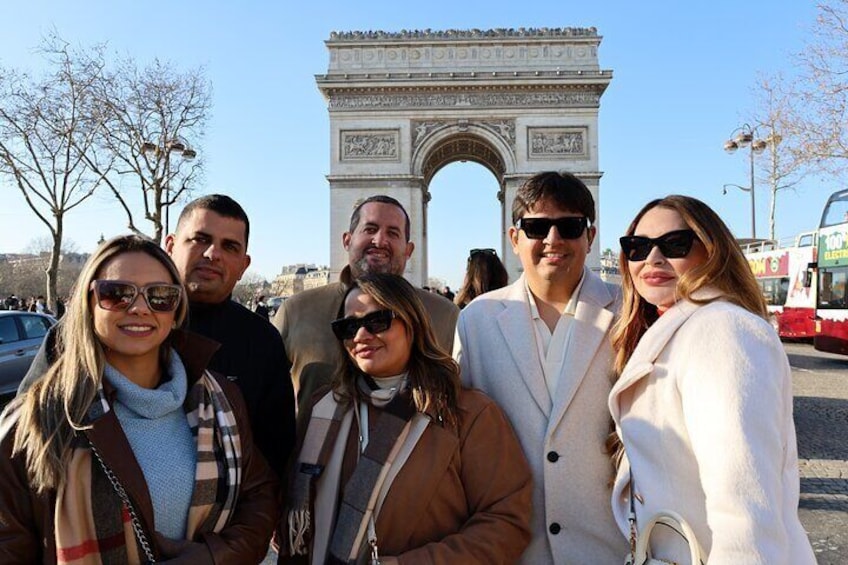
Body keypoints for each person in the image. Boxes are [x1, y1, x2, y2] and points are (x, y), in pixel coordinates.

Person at [0, 234, 278, 563]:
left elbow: (258, 495)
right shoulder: (35, 417)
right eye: (117, 294)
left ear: (176, 310)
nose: (140, 308)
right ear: (87, 304)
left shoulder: (222, 397)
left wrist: (216, 556)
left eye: (160, 296)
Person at [19, 195, 296, 480]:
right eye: (200, 239)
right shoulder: (78, 333)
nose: (213, 253)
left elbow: (272, 456)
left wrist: (244, 523)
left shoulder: (263, 341)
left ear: (244, 265)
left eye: (229, 246)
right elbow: (26, 434)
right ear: (171, 246)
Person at [609, 195, 815, 563]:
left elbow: (744, 507)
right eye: (637, 247)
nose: (652, 259)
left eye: (674, 244)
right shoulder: (677, 327)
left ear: (712, 251)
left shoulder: (723, 330)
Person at [280, 273, 532, 564]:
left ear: (412, 323)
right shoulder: (322, 408)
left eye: (377, 321)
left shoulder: (467, 414)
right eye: (349, 326)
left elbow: (506, 522)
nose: (361, 335)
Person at [454, 171, 626, 563]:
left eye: (569, 226)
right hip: (511, 548)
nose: (553, 239)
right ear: (514, 238)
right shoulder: (476, 320)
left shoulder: (630, 313)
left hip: (609, 547)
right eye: (536, 226)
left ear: (590, 235)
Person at [274, 195, 459, 416]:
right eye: (370, 229)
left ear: (409, 250)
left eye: (393, 233)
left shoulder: (446, 316)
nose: (380, 241)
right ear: (347, 240)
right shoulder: (295, 311)